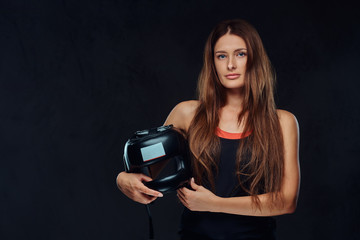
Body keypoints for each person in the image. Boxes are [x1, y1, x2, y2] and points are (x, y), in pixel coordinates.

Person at [116, 19, 300, 240]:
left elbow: (286, 201)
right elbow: (145, 176)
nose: (230, 64)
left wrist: (215, 204)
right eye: (221, 56)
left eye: (240, 54)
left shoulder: (282, 122)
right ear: (212, 63)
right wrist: (122, 180)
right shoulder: (187, 114)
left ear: (254, 59)